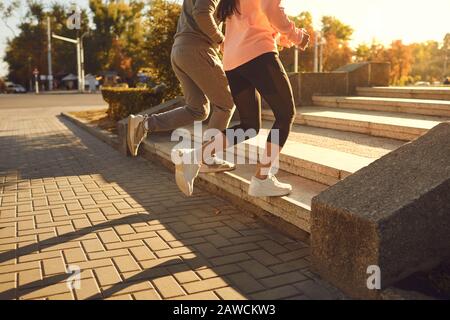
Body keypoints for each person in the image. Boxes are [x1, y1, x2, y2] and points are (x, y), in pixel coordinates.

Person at [173, 0, 310, 197]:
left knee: (249, 125)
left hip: (233, 61)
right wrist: (297, 36)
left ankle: (194, 156)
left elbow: (250, 20)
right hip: (259, 55)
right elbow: (271, 9)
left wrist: (280, 37)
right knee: (285, 114)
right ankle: (262, 179)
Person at [127, 0, 236, 174]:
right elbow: (202, 13)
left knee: (198, 110)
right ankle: (206, 158)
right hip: (198, 49)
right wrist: (221, 41)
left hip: (181, 50)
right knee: (226, 103)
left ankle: (145, 124)